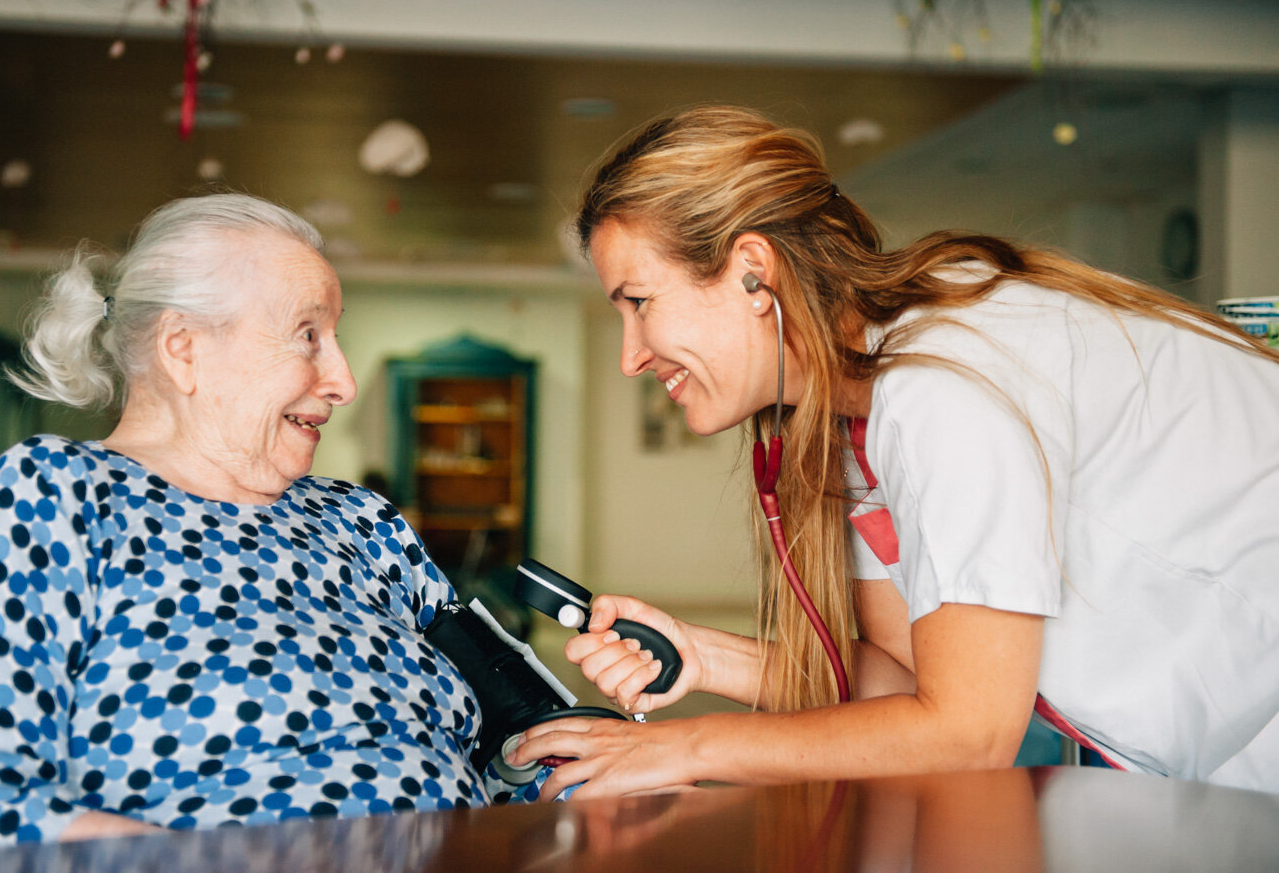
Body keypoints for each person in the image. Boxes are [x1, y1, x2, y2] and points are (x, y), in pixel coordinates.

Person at [509, 104, 1279, 798]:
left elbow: (968, 733)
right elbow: (903, 687)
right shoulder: (859, 407)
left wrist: (687, 749)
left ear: (753, 271)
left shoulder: (943, 383)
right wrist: (704, 659)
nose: (631, 356)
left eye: (639, 305)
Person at [0, 193, 546, 851]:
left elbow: (508, 743)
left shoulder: (363, 522)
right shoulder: (55, 494)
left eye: (336, 338)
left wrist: (572, 758)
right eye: (309, 335)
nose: (343, 380)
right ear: (183, 349)